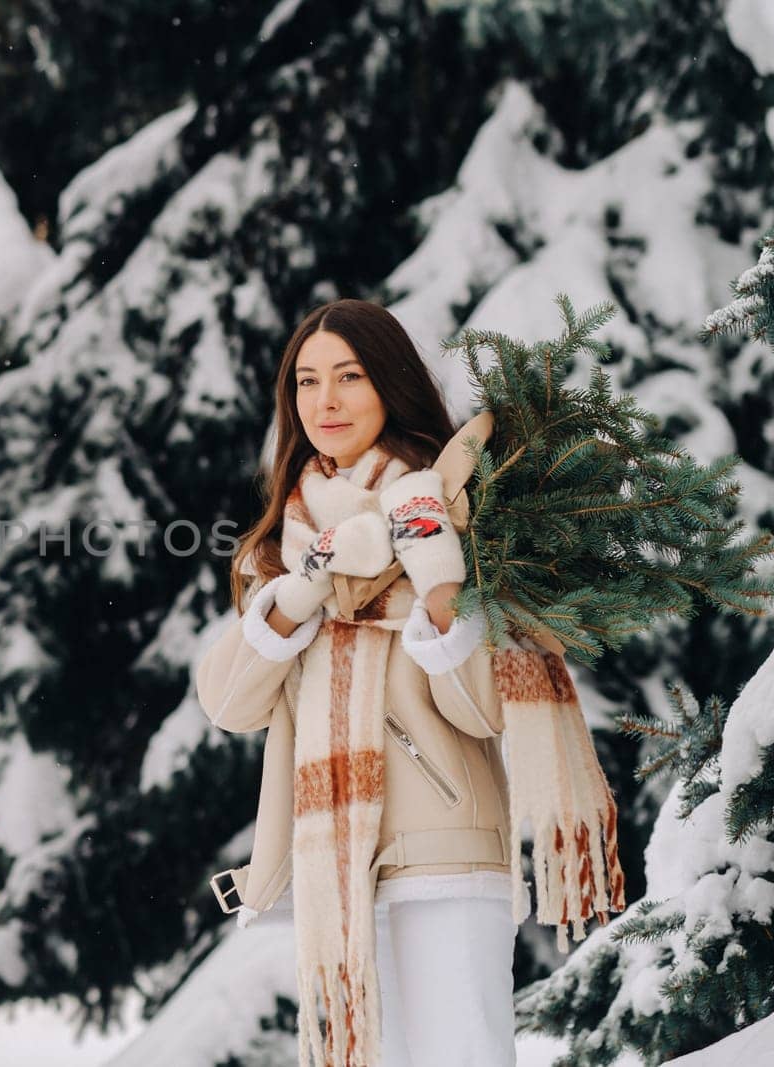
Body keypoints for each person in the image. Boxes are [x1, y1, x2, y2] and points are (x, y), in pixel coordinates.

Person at [195, 298, 519, 1067]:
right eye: (307, 381)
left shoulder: (456, 508)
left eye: (349, 376)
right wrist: (301, 591)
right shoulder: (286, 540)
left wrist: (438, 576)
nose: (325, 401)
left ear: (391, 385)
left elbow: (485, 708)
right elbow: (230, 703)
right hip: (333, 867)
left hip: (445, 854)